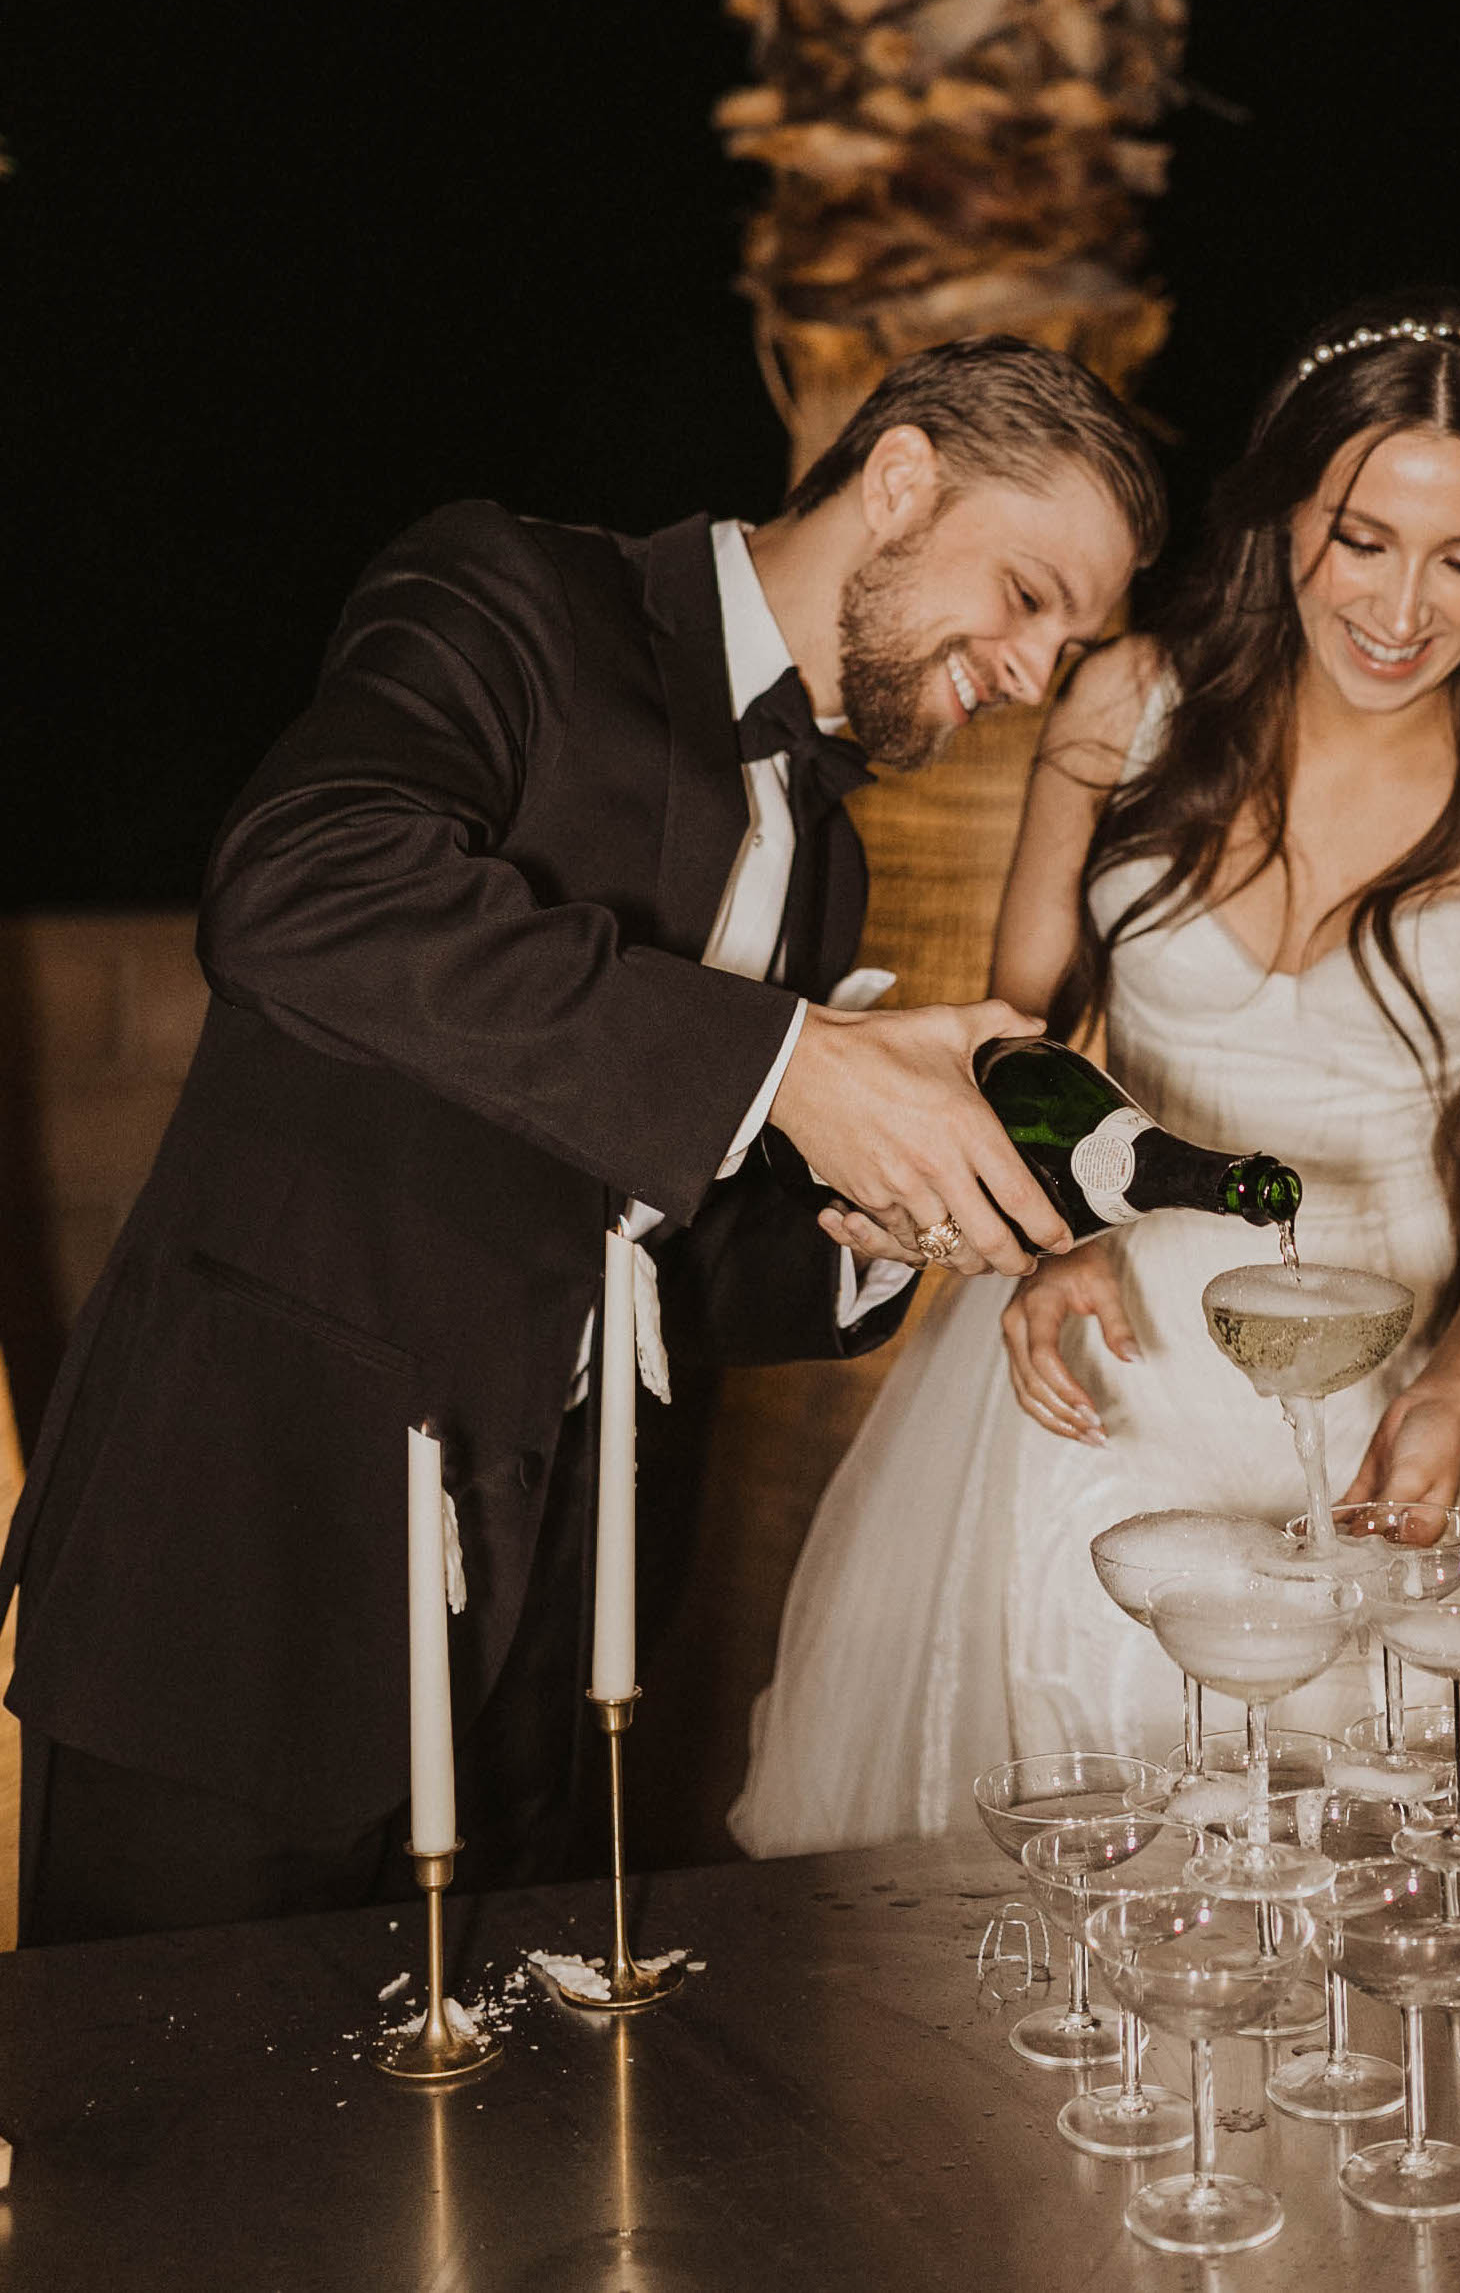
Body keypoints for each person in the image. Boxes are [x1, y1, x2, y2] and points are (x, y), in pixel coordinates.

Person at [0, 335, 1168, 1943]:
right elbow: (303, 887)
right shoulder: (515, 595)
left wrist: (870, 1231)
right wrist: (797, 1063)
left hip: (554, 1628)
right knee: (154, 2139)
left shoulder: (824, 859)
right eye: (1029, 594)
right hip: (251, 1559)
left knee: (469, 2164)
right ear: (900, 479)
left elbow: (665, 1246)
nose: (1037, 673)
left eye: (1075, 638)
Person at [733, 299, 1460, 1906]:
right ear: (1286, 521)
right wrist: (1048, 1246)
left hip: (1422, 1362)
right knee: (1104, 1862)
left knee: (1406, 1879)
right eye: (1362, 538)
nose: (1400, 607)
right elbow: (1017, 1043)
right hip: (1115, 1358)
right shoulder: (1123, 703)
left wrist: (1455, 1395)